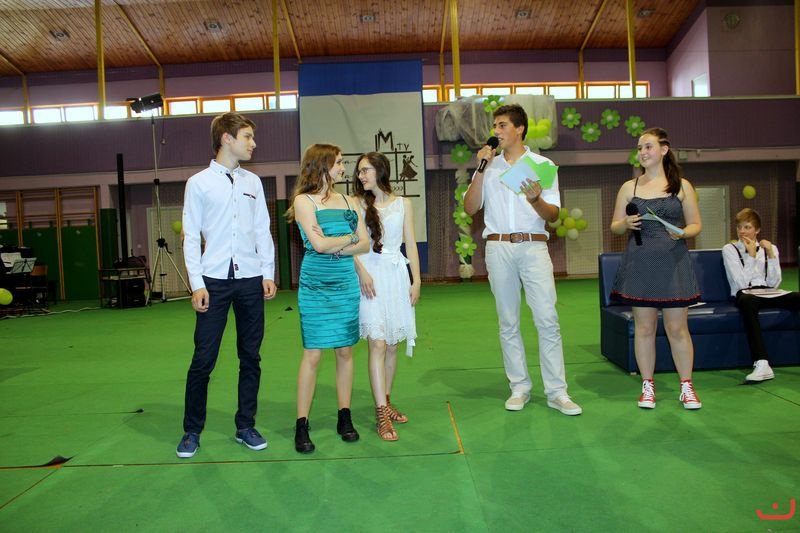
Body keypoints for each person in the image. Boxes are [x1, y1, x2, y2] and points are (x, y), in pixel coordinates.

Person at [463, 104, 582, 416]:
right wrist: (480, 169)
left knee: (547, 318)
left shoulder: (542, 165)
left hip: (533, 246)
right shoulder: (488, 167)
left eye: (502, 125)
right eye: (495, 126)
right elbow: (470, 208)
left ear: (520, 129)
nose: (496, 131)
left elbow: (553, 215)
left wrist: (535, 199)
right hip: (498, 247)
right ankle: (519, 387)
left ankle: (557, 392)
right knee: (508, 321)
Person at [177, 112, 277, 458]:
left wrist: (267, 273)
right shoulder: (198, 183)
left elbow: (262, 229)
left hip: (250, 280)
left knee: (250, 357)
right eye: (247, 136)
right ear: (226, 139)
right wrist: (196, 284)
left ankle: (245, 425)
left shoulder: (254, 182)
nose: (253, 143)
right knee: (203, 359)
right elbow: (191, 237)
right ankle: (192, 430)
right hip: (213, 282)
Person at [610, 127, 703, 410]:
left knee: (677, 328)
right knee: (645, 327)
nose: (642, 152)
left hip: (674, 263)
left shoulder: (682, 186)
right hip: (640, 263)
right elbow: (615, 227)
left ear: (664, 149)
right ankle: (647, 386)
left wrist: (683, 232)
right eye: (639, 148)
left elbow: (696, 224)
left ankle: (686, 386)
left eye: (648, 146)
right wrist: (624, 224)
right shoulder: (629, 188)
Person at [286, 143, 370, 453]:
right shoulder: (303, 201)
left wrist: (337, 243)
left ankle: (344, 416)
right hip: (316, 285)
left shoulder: (350, 201)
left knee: (345, 351)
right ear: (322, 165)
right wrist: (350, 239)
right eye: (338, 163)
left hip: (345, 283)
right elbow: (319, 246)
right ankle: (302, 423)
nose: (344, 168)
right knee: (313, 354)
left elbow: (365, 244)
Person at [353, 152, 420, 441]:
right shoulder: (357, 204)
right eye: (359, 172)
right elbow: (352, 245)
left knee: (392, 345)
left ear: (380, 170)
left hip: (396, 276)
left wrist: (417, 280)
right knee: (378, 343)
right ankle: (381, 413)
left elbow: (411, 244)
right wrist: (361, 272)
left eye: (365, 170)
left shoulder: (404, 204)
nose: (361, 176)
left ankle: (387, 400)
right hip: (370, 278)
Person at [722, 208, 800, 382]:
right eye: (739, 227)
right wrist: (751, 256)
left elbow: (774, 283)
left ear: (757, 230)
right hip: (746, 294)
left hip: (768, 292)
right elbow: (740, 284)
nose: (742, 231)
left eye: (747, 227)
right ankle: (762, 363)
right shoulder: (730, 249)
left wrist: (771, 255)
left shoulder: (770, 248)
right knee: (747, 300)